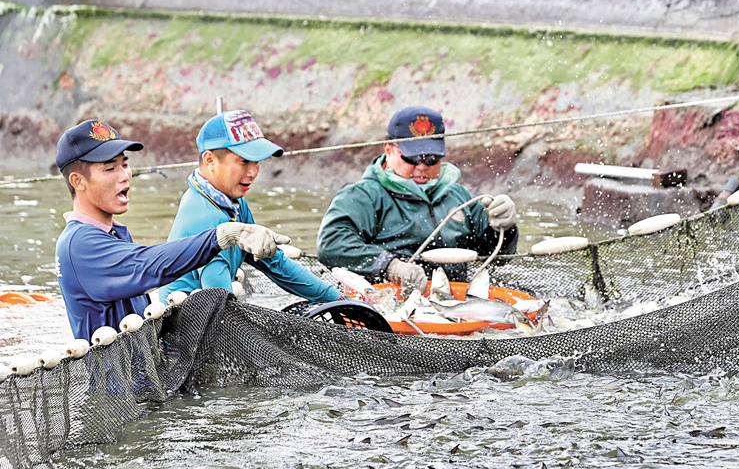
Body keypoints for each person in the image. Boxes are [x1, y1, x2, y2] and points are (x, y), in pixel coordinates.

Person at [55, 119, 288, 341]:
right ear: (78, 181)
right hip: (114, 382)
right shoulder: (80, 243)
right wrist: (222, 235)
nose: (125, 175)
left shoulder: (113, 232)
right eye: (110, 169)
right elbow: (147, 265)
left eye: (125, 164)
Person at [317, 106, 519, 295]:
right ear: (388, 150)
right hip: (388, 300)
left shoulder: (460, 196)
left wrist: (505, 228)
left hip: (453, 299)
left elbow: (497, 258)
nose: (422, 166)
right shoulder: (362, 196)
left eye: (431, 158)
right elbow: (331, 245)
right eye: (412, 158)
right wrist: (390, 266)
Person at [159, 110, 343, 304]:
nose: (254, 172)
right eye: (244, 162)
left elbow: (275, 263)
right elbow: (220, 306)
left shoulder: (234, 204)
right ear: (210, 160)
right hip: (185, 326)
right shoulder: (206, 218)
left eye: (257, 162)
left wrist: (340, 299)